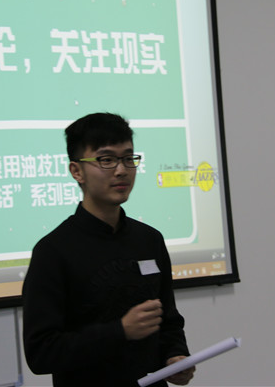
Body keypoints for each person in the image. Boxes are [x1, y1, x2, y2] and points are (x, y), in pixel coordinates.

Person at [22, 112, 195, 387]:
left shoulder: (149, 240)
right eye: (106, 160)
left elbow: (168, 321)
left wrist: (175, 356)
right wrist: (120, 331)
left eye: (128, 158)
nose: (121, 170)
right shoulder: (53, 251)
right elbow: (41, 353)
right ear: (76, 171)